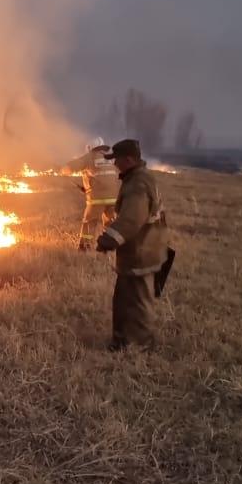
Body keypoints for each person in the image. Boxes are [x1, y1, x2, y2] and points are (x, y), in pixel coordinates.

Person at [96, 139, 169, 350]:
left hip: (143, 252)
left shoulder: (137, 184)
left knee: (137, 301)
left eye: (117, 159)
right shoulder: (138, 177)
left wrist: (108, 239)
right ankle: (123, 340)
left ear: (128, 159)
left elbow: (131, 220)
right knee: (125, 298)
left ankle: (140, 344)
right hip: (142, 250)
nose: (114, 164)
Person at [61, 137, 120, 251]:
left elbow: (70, 167)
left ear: (90, 148)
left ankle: (85, 246)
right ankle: (111, 246)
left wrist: (63, 170)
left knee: (90, 223)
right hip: (113, 197)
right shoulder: (109, 158)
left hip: (97, 198)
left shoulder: (90, 157)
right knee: (110, 223)